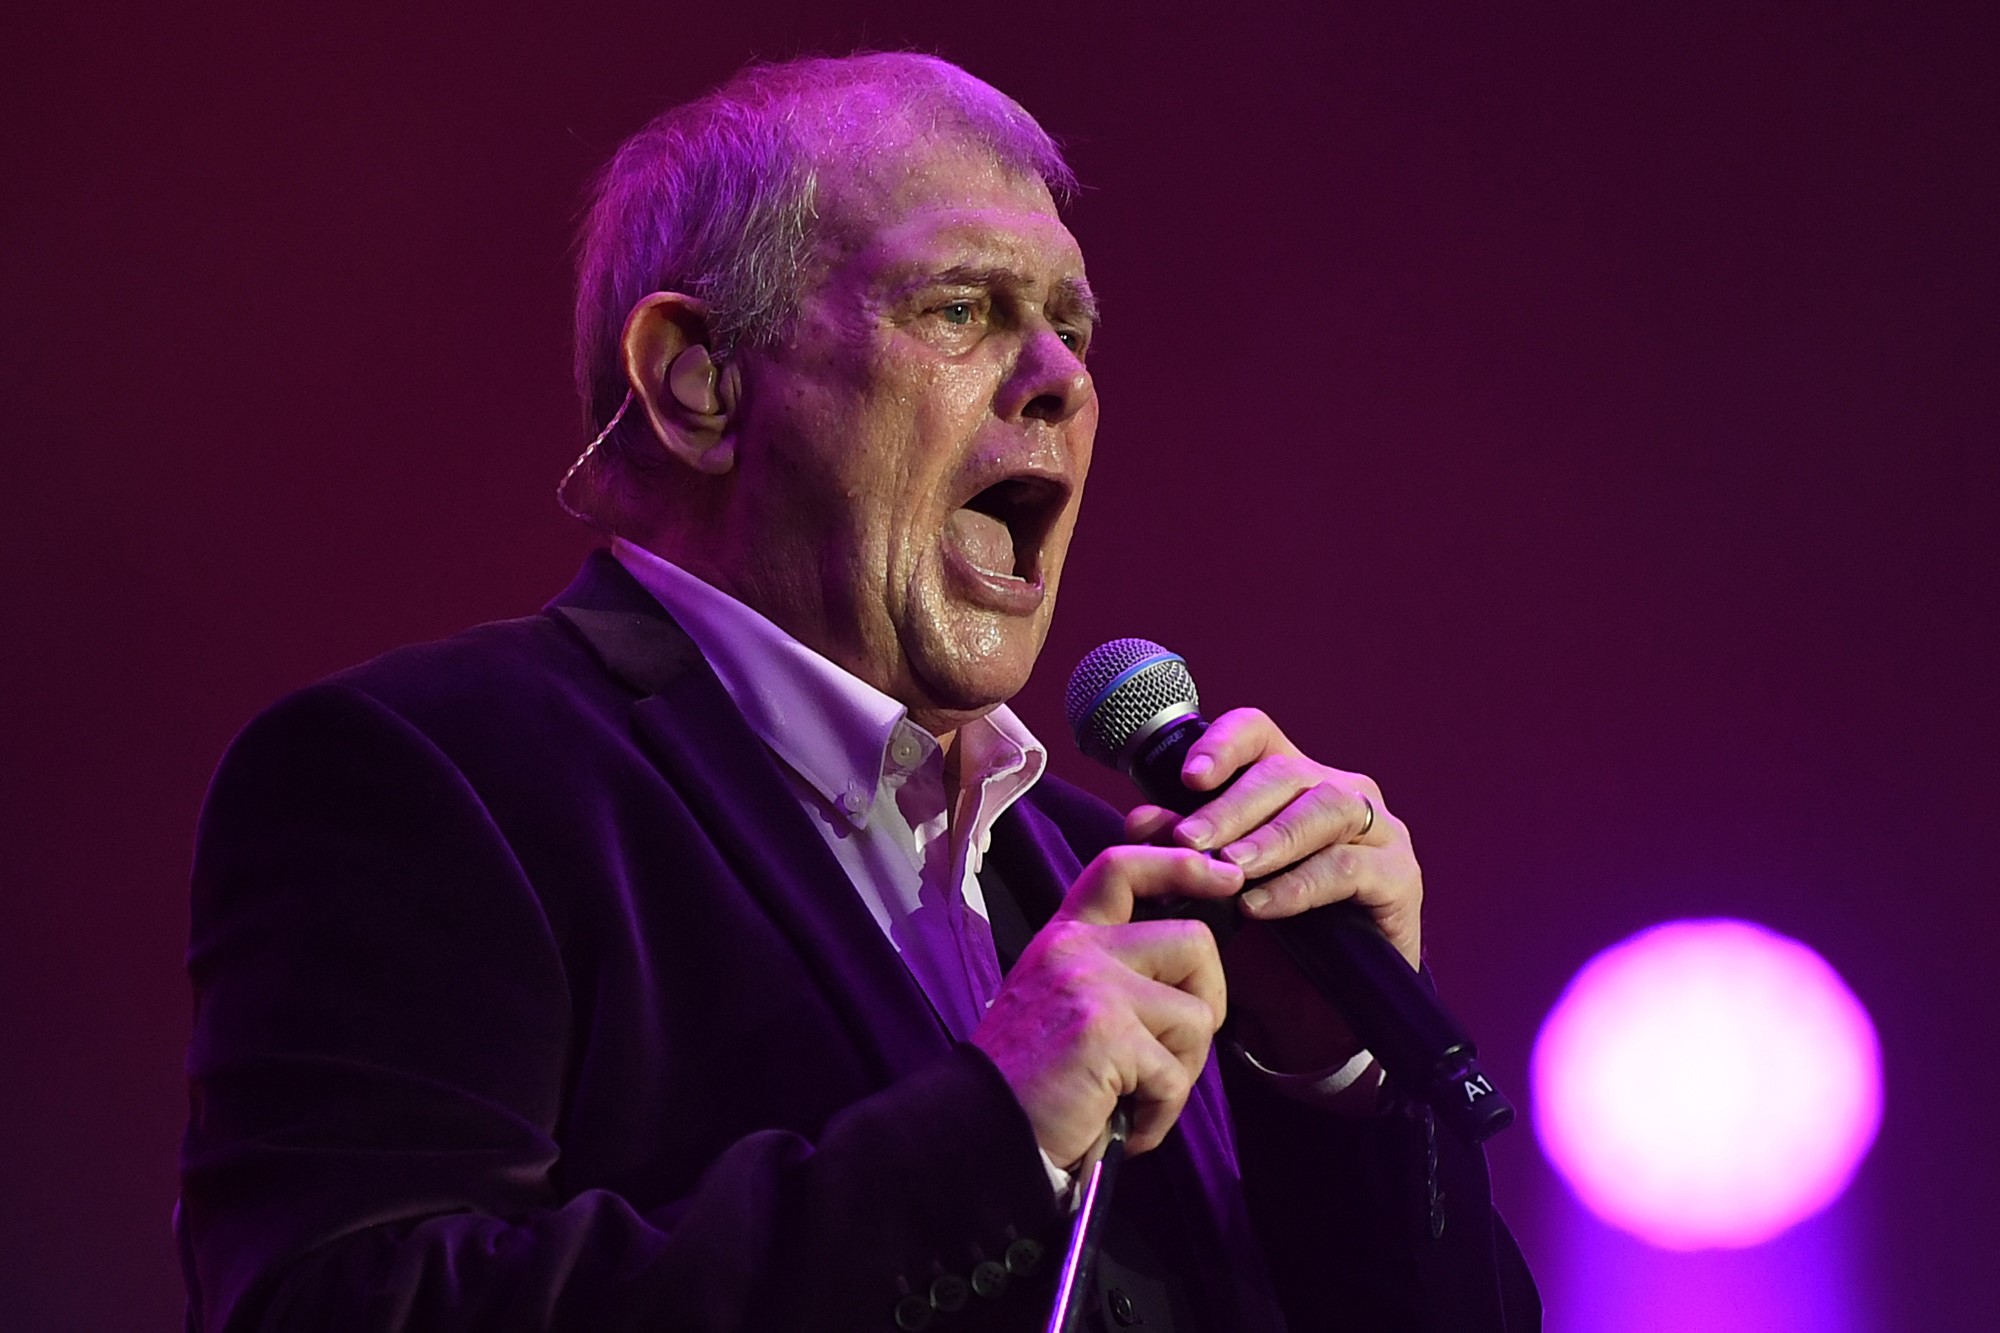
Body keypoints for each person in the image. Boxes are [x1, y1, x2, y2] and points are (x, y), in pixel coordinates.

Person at [178, 52, 1539, 1332]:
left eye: (1072, 326)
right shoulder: (434, 773)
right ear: (698, 383)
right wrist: (989, 1139)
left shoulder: (1087, 861)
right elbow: (345, 1303)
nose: (1062, 378)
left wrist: (1337, 1083)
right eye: (960, 308)